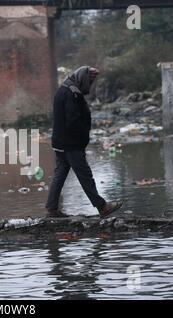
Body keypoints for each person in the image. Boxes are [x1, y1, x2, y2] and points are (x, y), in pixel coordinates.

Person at [46, 66, 123, 218]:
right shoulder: (72, 93)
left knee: (60, 175)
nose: (91, 84)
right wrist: (81, 140)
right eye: (90, 80)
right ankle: (102, 207)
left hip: (60, 143)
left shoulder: (65, 89)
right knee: (85, 175)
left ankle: (52, 208)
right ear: (83, 78)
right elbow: (73, 122)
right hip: (71, 145)